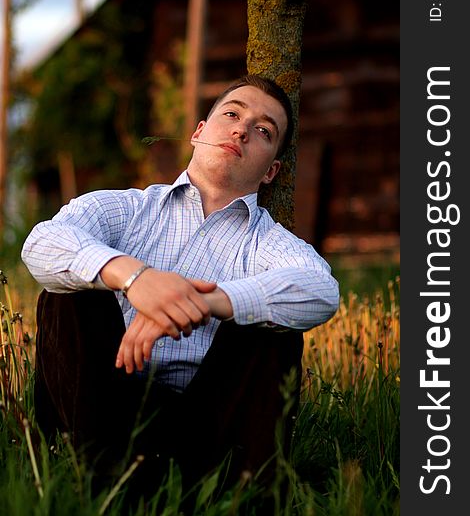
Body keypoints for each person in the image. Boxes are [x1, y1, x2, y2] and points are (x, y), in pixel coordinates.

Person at [22, 74, 339, 501]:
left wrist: (206, 300)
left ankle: (230, 496)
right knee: (69, 292)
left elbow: (320, 291)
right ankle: (106, 485)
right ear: (198, 133)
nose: (242, 129)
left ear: (271, 171)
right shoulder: (125, 208)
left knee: (274, 329)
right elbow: (42, 243)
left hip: (210, 428)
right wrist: (137, 279)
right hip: (100, 409)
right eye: (231, 114)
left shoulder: (270, 243)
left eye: (264, 131)